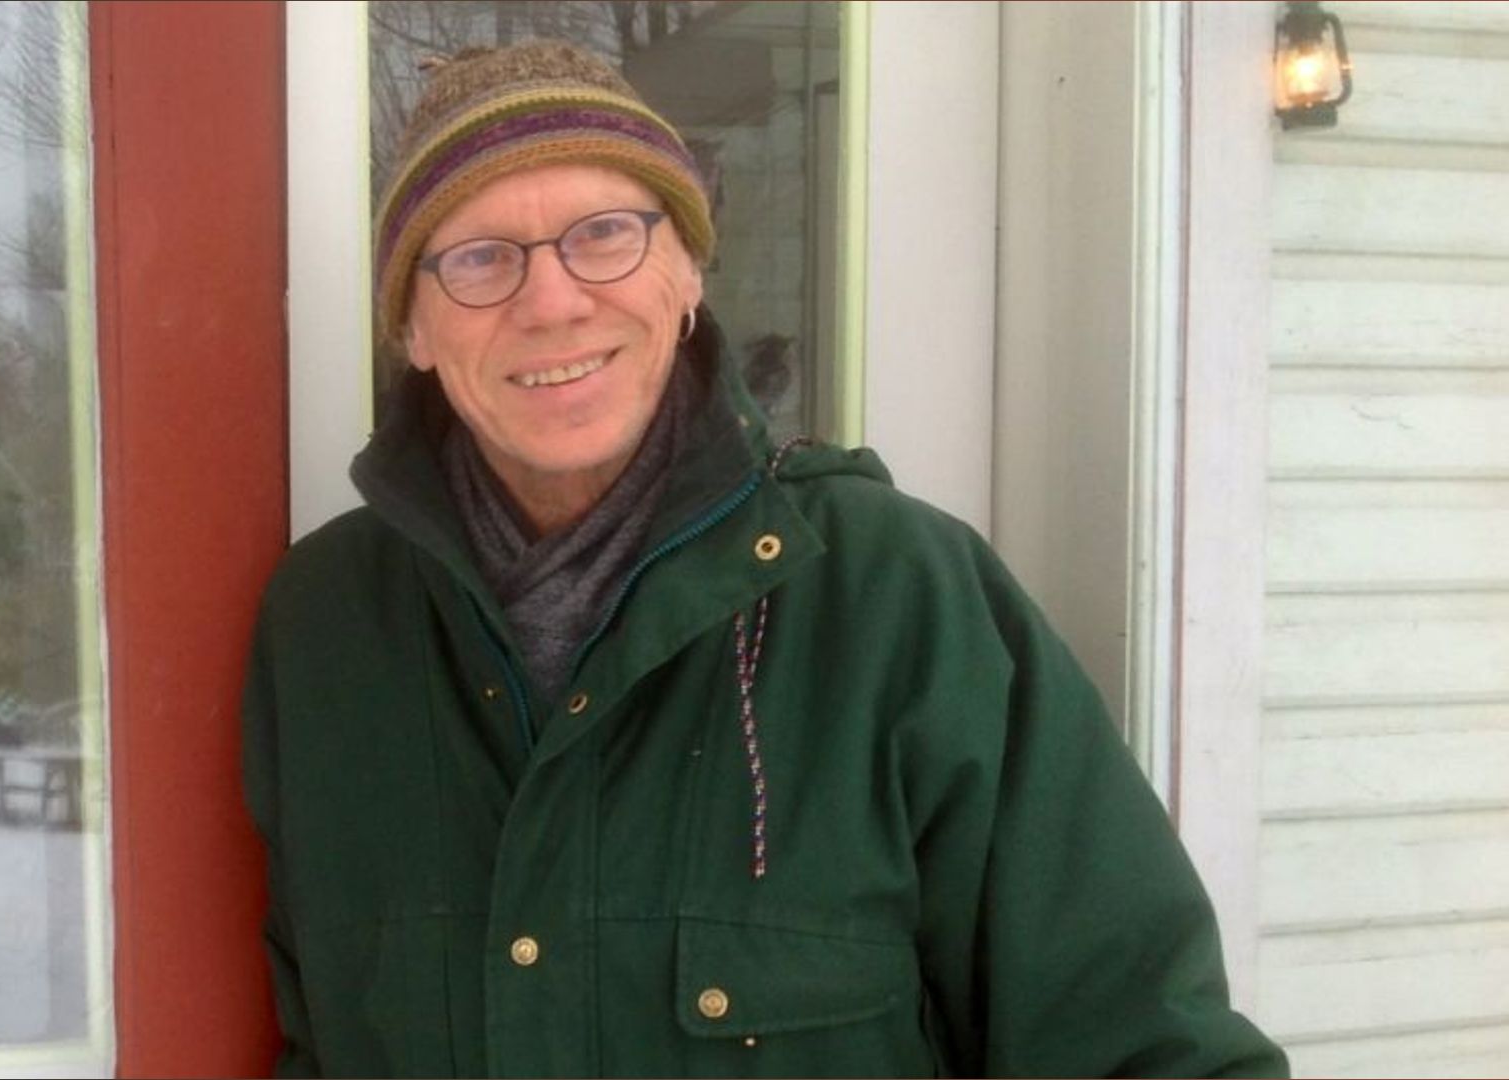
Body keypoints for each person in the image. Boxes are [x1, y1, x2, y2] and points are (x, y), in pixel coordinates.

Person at [243, 41, 1286, 1078]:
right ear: (414, 328)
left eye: (606, 234)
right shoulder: (327, 629)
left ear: (687, 274)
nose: (551, 301)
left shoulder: (896, 596)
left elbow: (1143, 1047)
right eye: (478, 258)